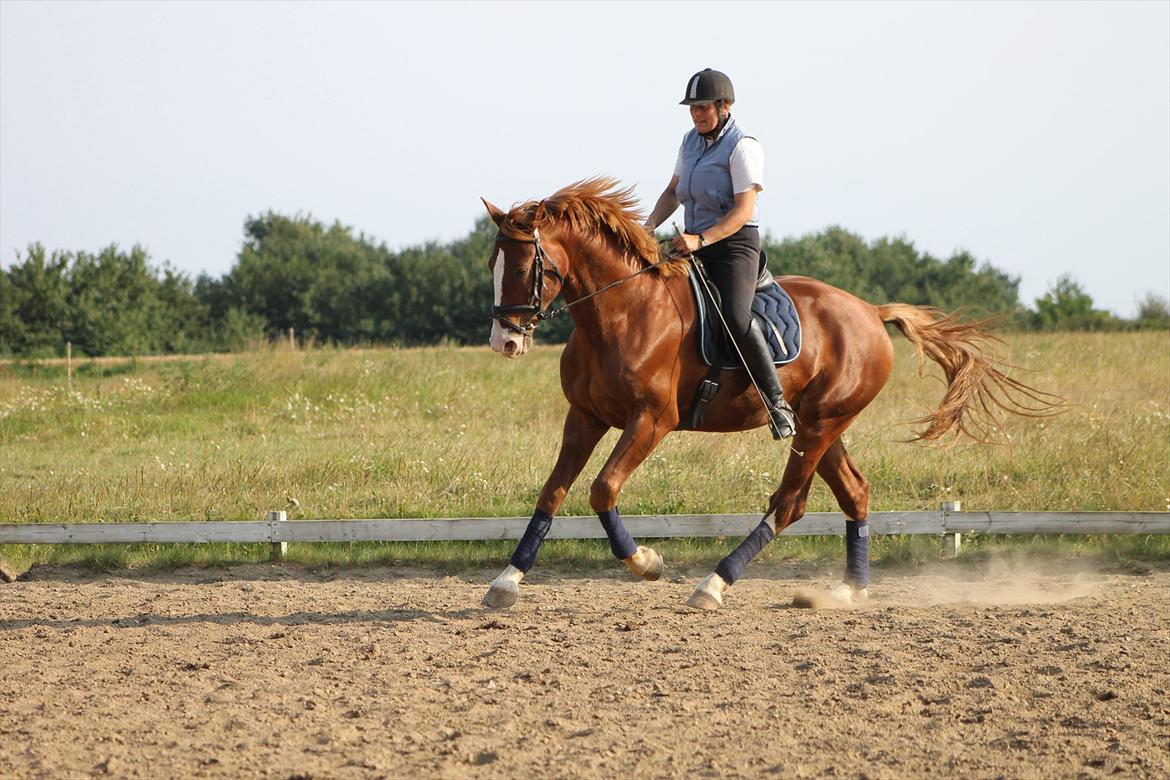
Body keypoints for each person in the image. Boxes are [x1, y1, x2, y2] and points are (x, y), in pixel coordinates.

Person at [644, 68, 796, 439]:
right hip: (692, 240)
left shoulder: (744, 146)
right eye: (692, 108)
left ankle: (776, 403)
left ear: (725, 106)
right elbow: (672, 192)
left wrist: (702, 240)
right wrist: (645, 229)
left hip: (734, 245)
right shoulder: (689, 142)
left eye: (703, 107)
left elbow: (743, 211)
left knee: (735, 315)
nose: (696, 114)